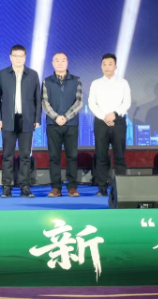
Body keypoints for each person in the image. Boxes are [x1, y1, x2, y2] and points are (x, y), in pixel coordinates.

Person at [0, 44, 41, 198]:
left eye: (21, 56)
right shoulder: (2, 74)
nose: (18, 59)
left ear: (25, 58)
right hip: (8, 119)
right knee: (7, 155)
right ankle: (6, 187)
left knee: (25, 156)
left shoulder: (33, 74)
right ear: (10, 57)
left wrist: (37, 118)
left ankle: (24, 186)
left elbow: (38, 99)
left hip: (27, 119)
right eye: (15, 56)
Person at [88, 53, 132, 196]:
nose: (107, 67)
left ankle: (121, 188)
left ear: (115, 67)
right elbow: (92, 103)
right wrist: (104, 117)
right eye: (104, 64)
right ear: (101, 66)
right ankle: (102, 187)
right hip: (101, 122)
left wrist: (115, 114)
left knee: (119, 156)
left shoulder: (123, 83)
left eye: (110, 64)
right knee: (101, 156)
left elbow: (126, 102)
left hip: (118, 122)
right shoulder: (95, 83)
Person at [42, 52, 83, 197]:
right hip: (53, 124)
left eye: (63, 60)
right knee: (54, 157)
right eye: (57, 60)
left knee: (72, 156)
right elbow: (44, 102)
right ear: (53, 63)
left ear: (67, 62)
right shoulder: (47, 81)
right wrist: (56, 117)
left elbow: (79, 102)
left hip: (71, 124)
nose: (60, 63)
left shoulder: (76, 80)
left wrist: (65, 117)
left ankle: (72, 187)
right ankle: (56, 188)